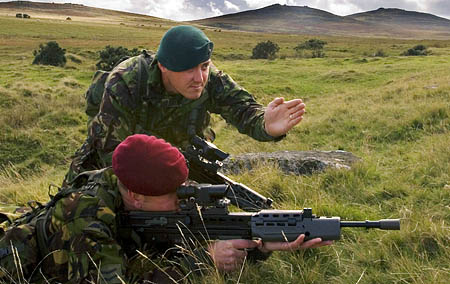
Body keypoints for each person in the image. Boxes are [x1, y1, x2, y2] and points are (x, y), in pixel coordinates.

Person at [0, 135, 330, 283]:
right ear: (137, 196)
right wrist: (204, 261)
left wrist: (261, 243)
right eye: (173, 194)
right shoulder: (85, 219)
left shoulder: (136, 192)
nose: (183, 199)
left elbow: (171, 244)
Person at [64, 25, 306, 184]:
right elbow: (111, 152)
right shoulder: (126, 81)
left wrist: (265, 123)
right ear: (164, 67)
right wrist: (160, 187)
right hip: (121, 165)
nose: (199, 78)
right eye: (189, 69)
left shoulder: (210, 78)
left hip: (181, 163)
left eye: (203, 66)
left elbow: (242, 109)